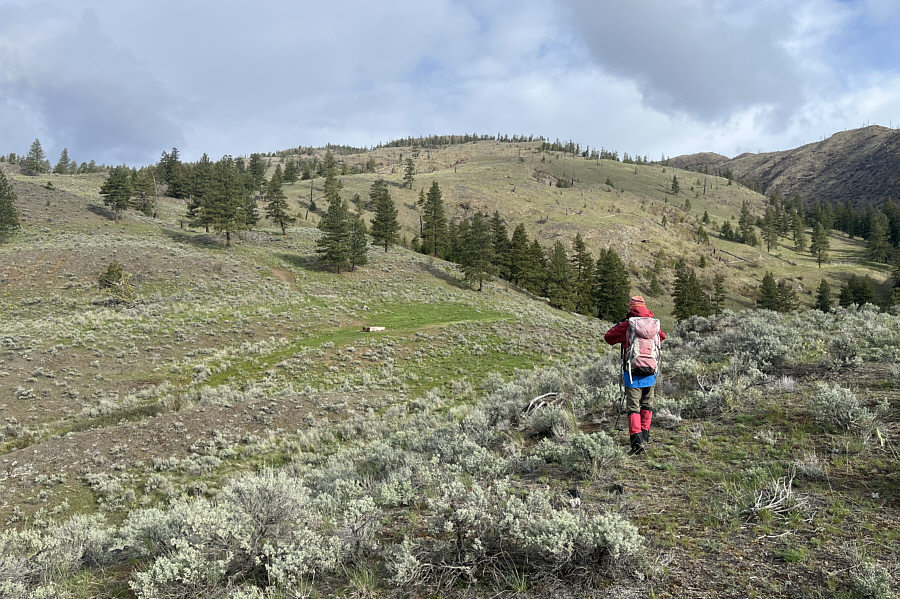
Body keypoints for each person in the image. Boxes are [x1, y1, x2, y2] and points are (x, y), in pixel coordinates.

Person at [604, 296, 666, 454]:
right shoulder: (653, 324)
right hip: (650, 371)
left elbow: (608, 337)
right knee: (647, 404)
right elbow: (662, 337)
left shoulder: (628, 325)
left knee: (633, 407)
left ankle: (637, 442)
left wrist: (620, 325)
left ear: (631, 308)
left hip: (632, 373)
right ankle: (644, 435)